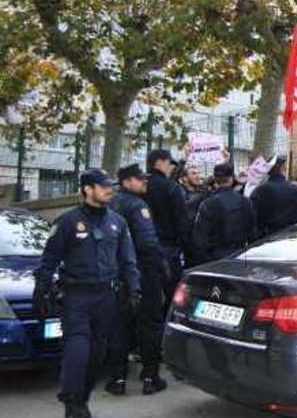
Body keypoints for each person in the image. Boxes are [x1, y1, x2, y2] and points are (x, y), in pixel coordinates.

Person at [32, 169, 140, 418]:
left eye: (109, 186)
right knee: (77, 350)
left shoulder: (117, 222)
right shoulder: (68, 221)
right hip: (76, 297)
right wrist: (42, 289)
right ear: (87, 190)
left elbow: (128, 261)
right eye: (102, 186)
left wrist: (134, 290)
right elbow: (49, 259)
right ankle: (72, 403)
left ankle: (81, 398)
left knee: (97, 354)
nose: (108, 190)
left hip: (106, 297)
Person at [105, 164, 168, 396]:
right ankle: (151, 377)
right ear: (127, 181)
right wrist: (160, 269)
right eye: (140, 179)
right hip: (142, 273)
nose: (145, 182)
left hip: (115, 274)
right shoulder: (137, 206)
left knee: (119, 327)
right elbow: (147, 243)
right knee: (148, 325)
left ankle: (118, 379)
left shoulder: (108, 205)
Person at [144, 149, 189, 302]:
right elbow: (181, 222)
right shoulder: (172, 189)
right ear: (160, 163)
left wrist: (183, 160)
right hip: (168, 249)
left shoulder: (141, 186)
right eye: (169, 164)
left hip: (143, 248)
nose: (171, 168)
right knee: (171, 295)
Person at [191, 163, 257, 265]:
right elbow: (252, 233)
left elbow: (200, 238)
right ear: (231, 179)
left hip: (215, 258)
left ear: (215, 179)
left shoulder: (207, 204)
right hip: (240, 255)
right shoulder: (245, 202)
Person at [250, 156, 297, 238]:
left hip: (266, 238)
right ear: (283, 169)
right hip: (292, 236)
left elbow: (253, 217)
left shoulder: (259, 191)